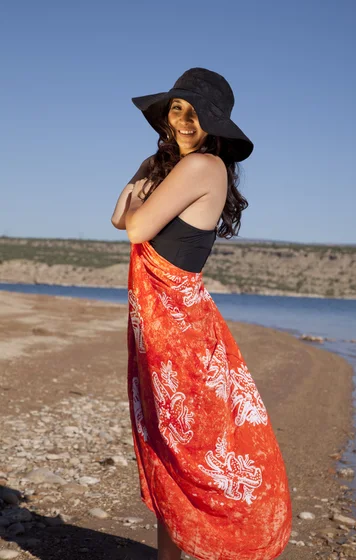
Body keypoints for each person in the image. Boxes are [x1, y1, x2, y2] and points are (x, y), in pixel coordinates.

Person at [111, 68, 292, 560]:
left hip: (178, 330)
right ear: (167, 115)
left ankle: (231, 545)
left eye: (197, 114)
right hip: (161, 325)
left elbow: (134, 226)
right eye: (178, 109)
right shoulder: (173, 166)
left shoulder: (200, 167)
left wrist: (142, 188)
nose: (186, 121)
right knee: (170, 451)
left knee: (193, 454)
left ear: (214, 125)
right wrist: (151, 168)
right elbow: (116, 215)